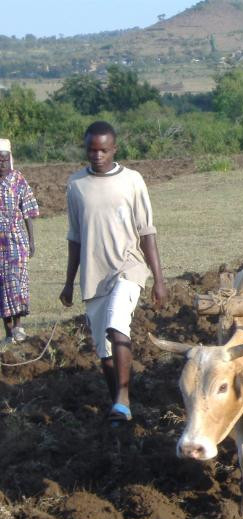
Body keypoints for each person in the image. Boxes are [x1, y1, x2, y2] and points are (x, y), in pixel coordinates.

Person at [59, 121, 168, 423]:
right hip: (94, 276)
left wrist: (159, 279)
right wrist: (68, 283)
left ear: (114, 149)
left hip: (128, 267)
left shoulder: (132, 181)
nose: (97, 156)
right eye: (92, 150)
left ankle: (123, 398)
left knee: (117, 324)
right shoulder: (76, 185)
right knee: (103, 350)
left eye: (103, 150)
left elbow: (147, 232)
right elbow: (75, 238)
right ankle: (119, 405)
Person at [0, 138, 38, 347]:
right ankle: (7, 333)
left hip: (16, 239)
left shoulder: (18, 180)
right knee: (1, 285)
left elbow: (29, 211)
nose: (1, 163)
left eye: (4, 159)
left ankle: (18, 326)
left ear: (10, 159)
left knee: (17, 280)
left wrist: (31, 240)